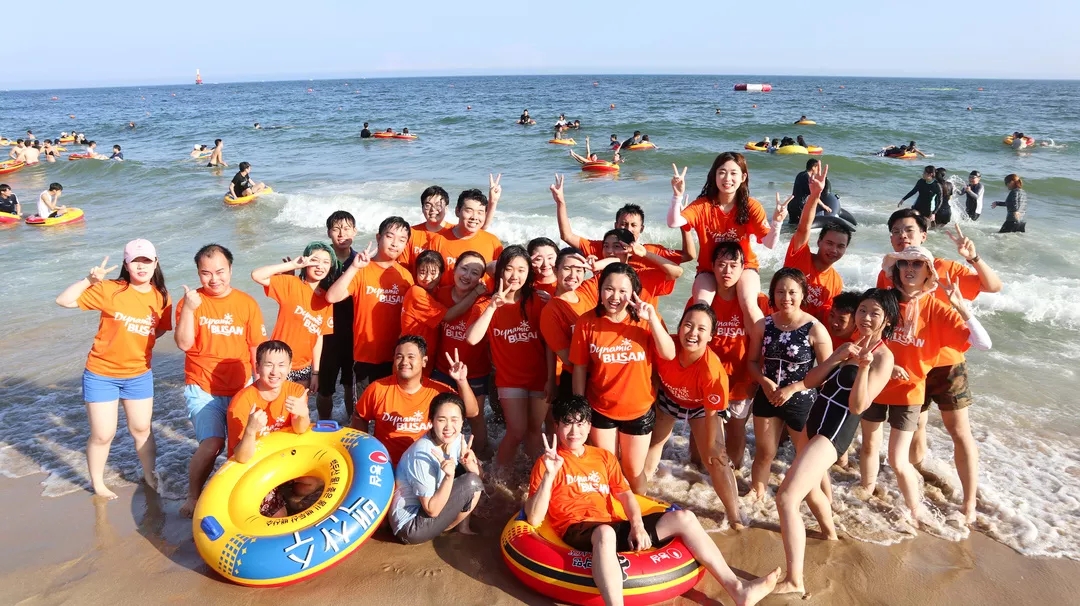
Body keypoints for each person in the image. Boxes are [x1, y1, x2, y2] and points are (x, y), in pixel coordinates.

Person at [525, 395, 780, 606]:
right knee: (605, 533)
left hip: (613, 525)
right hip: (578, 529)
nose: (574, 431)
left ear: (589, 425)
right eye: (567, 424)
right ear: (556, 426)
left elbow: (626, 495)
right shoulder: (548, 462)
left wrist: (636, 525)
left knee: (685, 517)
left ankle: (738, 589)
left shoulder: (603, 457)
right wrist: (550, 474)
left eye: (580, 423)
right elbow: (534, 517)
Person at [773, 289, 898, 596]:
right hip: (815, 421)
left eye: (875, 313)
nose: (866, 317)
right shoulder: (850, 345)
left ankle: (794, 580)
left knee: (787, 497)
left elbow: (858, 406)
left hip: (834, 433)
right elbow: (812, 380)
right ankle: (830, 534)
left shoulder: (883, 357)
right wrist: (836, 358)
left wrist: (864, 367)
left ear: (887, 320)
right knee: (810, 487)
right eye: (862, 310)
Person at [881, 208, 1002, 523]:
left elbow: (993, 286)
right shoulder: (892, 271)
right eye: (896, 231)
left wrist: (973, 258)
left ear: (923, 234)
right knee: (915, 430)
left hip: (948, 363)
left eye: (908, 230)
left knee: (959, 431)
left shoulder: (946, 268)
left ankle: (969, 504)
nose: (902, 236)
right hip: (912, 364)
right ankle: (918, 483)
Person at [54, 239, 171, 499]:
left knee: (142, 430)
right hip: (101, 374)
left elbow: (160, 329)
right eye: (135, 261)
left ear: (155, 263)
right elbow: (63, 300)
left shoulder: (161, 296)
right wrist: (89, 280)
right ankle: (98, 484)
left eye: (146, 261)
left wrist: (136, 337)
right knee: (103, 434)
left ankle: (149, 475)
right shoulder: (110, 289)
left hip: (139, 374)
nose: (141, 266)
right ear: (126, 265)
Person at [175, 244, 267, 517]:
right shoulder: (190, 302)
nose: (214, 279)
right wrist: (189, 309)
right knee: (213, 444)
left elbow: (255, 348)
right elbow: (183, 343)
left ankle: (241, 497)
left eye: (220, 271)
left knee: (243, 446)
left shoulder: (246, 303)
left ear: (230, 269)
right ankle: (193, 496)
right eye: (206, 273)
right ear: (198, 273)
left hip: (241, 387)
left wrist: (260, 386)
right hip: (203, 388)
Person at [570, 263, 675, 494]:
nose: (615, 297)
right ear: (599, 290)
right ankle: (611, 511)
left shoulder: (646, 320)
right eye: (608, 289)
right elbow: (579, 368)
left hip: (639, 410)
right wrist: (580, 409)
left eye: (622, 291)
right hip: (601, 408)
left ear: (633, 292)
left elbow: (669, 354)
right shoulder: (586, 322)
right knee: (608, 470)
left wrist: (652, 319)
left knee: (633, 471)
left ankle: (639, 512)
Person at [645, 304, 743, 526]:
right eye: (688, 325)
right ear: (679, 328)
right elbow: (650, 369)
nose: (692, 333)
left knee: (716, 458)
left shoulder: (712, 370)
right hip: (669, 397)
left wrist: (713, 446)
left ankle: (736, 516)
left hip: (702, 407)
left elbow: (712, 414)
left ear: (711, 336)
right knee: (654, 444)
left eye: (701, 329)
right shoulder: (665, 346)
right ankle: (640, 495)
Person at [668, 154, 784, 333]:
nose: (727, 178)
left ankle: (762, 346)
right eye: (722, 172)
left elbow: (769, 243)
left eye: (733, 173)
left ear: (743, 177)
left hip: (744, 267)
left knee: (749, 303)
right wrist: (677, 196)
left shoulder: (751, 206)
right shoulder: (702, 206)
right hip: (708, 269)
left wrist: (777, 222)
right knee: (701, 307)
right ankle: (700, 348)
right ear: (714, 175)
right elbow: (674, 222)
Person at [747, 268, 832, 500]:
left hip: (801, 401)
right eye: (780, 292)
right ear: (772, 294)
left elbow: (826, 373)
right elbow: (752, 362)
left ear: (803, 294)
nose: (786, 298)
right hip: (768, 396)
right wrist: (763, 381)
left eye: (792, 292)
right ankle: (757, 502)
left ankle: (828, 504)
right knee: (764, 453)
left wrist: (793, 388)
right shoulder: (763, 325)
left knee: (809, 459)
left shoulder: (815, 329)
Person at [464, 246, 550, 471]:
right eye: (509, 269)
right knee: (516, 430)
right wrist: (493, 306)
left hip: (539, 377)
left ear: (528, 273)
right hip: (509, 379)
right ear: (500, 270)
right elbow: (472, 338)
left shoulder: (538, 300)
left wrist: (552, 378)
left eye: (521, 270)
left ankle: (532, 475)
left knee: (534, 430)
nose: (515, 275)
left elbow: (550, 343)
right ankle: (498, 476)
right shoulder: (485, 303)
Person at [553, 174, 686, 306]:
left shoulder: (643, 269)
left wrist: (646, 254)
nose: (610, 250)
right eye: (623, 224)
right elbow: (567, 236)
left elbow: (679, 268)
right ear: (615, 225)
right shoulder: (600, 256)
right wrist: (561, 203)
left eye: (617, 246)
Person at [351, 335, 479, 464]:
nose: (404, 362)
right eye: (399, 357)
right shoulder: (378, 388)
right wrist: (363, 450)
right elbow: (360, 416)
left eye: (411, 357)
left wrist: (461, 381)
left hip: (424, 462)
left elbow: (471, 412)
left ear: (424, 361)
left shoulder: (438, 391)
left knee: (472, 472)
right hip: (385, 463)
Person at [226, 340, 319, 518]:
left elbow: (300, 430)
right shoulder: (241, 403)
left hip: (283, 459)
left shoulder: (296, 391)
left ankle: (287, 496)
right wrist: (250, 430)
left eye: (281, 365)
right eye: (268, 364)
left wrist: (303, 414)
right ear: (257, 367)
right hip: (255, 466)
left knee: (313, 481)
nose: (275, 372)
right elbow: (241, 457)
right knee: (279, 515)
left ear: (290, 367)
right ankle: (276, 501)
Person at [325, 217, 415, 398]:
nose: (395, 243)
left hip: (395, 358)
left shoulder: (406, 277)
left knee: (388, 408)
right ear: (378, 237)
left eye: (401, 239)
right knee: (362, 411)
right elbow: (332, 297)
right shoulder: (362, 270)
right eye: (390, 236)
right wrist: (354, 268)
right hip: (364, 357)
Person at [706, 242, 770, 471]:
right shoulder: (703, 299)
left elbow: (766, 343)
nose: (727, 271)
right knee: (703, 435)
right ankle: (697, 478)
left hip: (742, 380)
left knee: (735, 430)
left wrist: (757, 379)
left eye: (733, 265)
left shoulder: (758, 301)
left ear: (743, 268)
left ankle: (734, 473)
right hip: (709, 380)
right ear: (712, 267)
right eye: (721, 264)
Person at [389, 393, 483, 543]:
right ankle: (446, 529)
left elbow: (479, 476)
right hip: (410, 527)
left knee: (470, 473)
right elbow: (431, 510)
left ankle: (461, 527)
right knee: (472, 483)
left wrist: (470, 464)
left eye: (454, 420)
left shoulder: (457, 439)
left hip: (428, 508)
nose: (448, 427)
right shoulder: (422, 453)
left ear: (462, 421)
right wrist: (449, 477)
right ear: (431, 421)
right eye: (441, 420)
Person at [250, 243, 337, 389]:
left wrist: (315, 372)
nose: (320, 266)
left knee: (297, 403)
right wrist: (292, 265)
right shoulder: (290, 284)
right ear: (306, 262)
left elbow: (319, 337)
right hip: (277, 363)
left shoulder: (327, 299)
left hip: (303, 367)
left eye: (325, 262)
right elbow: (256, 275)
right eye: (314, 260)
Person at [433, 251, 493, 457]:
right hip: (442, 369)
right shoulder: (440, 294)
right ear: (454, 269)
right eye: (464, 269)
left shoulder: (485, 301)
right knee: (440, 416)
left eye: (475, 272)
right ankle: (440, 457)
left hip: (475, 371)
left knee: (475, 416)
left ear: (481, 279)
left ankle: (481, 458)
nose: (467, 275)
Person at [401, 249, 484, 376]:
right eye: (422, 272)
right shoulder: (416, 292)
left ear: (441, 274)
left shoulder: (436, 292)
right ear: (415, 272)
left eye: (433, 273)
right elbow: (448, 316)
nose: (428, 278)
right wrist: (476, 293)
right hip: (413, 358)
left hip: (427, 358)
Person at [785, 165, 850, 321]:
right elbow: (803, 228)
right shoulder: (800, 256)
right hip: (780, 324)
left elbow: (824, 316)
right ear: (819, 241)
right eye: (829, 243)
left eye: (840, 246)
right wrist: (815, 195)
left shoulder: (836, 282)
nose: (834, 250)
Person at [400, 178, 500, 272]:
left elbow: (477, 228)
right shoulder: (427, 238)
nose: (433, 209)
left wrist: (493, 202)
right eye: (428, 205)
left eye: (438, 205)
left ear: (446, 208)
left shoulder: (491, 241)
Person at [540, 248, 600, 401]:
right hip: (575, 380)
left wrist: (595, 266)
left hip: (602, 374)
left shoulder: (588, 289)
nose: (573, 275)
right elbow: (568, 359)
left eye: (579, 270)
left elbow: (621, 267)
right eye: (567, 268)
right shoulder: (550, 311)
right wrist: (607, 353)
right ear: (555, 270)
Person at [315, 211, 359, 421]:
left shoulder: (360, 262)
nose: (342, 234)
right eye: (336, 229)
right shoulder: (321, 261)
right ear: (328, 233)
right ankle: (324, 423)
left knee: (351, 383)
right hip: (326, 334)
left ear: (355, 231)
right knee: (325, 386)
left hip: (353, 332)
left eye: (347, 228)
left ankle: (351, 423)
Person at [431, 189, 503, 286]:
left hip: (483, 295)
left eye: (480, 212)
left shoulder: (493, 242)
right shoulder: (438, 240)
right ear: (457, 211)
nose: (474, 217)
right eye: (469, 211)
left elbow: (502, 276)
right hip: (445, 295)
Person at [790, 158, 836, 224]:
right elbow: (814, 195)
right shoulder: (808, 178)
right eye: (817, 167)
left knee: (792, 224)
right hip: (799, 206)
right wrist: (824, 206)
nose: (818, 169)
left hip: (791, 204)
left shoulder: (800, 174)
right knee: (801, 225)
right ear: (813, 167)